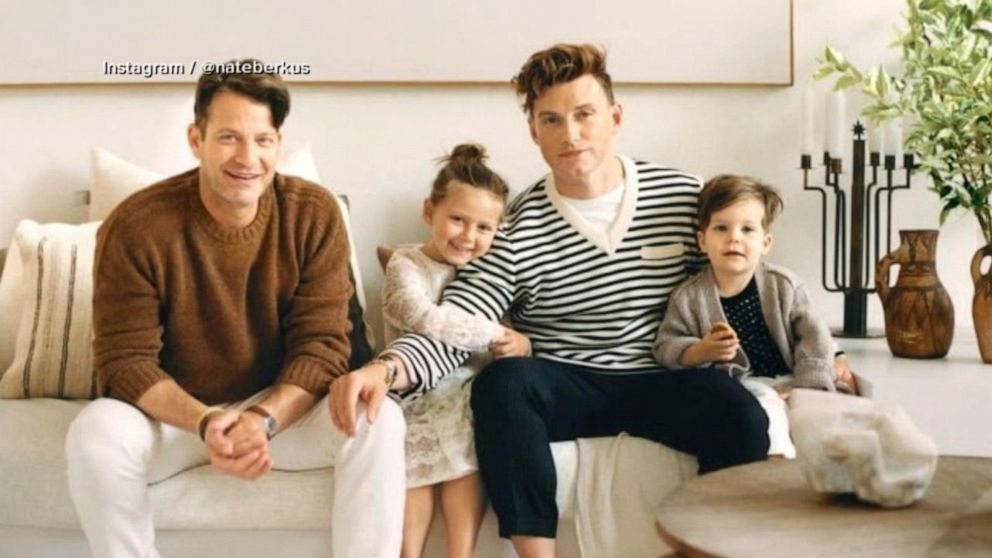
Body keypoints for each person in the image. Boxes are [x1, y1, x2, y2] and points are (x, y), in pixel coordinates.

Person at [337, 44, 861, 558]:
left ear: (615, 117)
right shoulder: (515, 226)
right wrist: (387, 370)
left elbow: (747, 280)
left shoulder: (683, 197)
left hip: (664, 378)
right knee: (502, 384)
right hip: (566, 383)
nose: (570, 134)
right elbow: (458, 322)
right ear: (533, 132)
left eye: (584, 114)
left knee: (741, 414)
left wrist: (823, 354)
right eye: (551, 120)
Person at [66, 59, 405, 558]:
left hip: (277, 414)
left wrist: (262, 419)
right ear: (196, 139)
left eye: (262, 140)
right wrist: (207, 422)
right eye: (228, 138)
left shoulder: (314, 214)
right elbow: (125, 362)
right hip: (177, 418)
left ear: (278, 143)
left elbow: (322, 348)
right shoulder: (137, 226)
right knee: (95, 432)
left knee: (380, 419)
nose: (248, 158)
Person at [381, 144, 531, 558]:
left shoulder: (491, 274)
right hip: (416, 387)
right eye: (458, 220)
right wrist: (492, 331)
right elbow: (419, 314)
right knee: (416, 465)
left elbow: (516, 332)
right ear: (429, 211)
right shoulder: (407, 263)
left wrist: (521, 342)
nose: (468, 237)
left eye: (484, 227)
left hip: (470, 389)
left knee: (467, 454)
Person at [653, 174, 858, 457]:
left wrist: (808, 386)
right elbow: (666, 346)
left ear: (766, 242)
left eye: (747, 229)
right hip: (744, 388)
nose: (734, 237)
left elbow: (814, 337)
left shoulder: (784, 285)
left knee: (824, 416)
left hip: (796, 377)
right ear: (702, 240)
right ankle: (777, 464)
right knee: (767, 410)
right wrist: (701, 350)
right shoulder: (688, 297)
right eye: (721, 228)